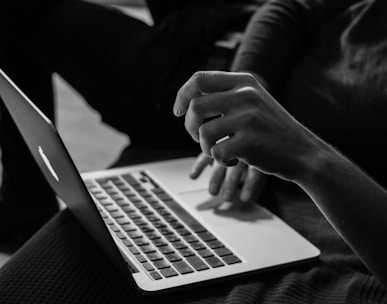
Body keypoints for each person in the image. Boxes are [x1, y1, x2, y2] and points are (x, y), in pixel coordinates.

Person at [0, 0, 387, 302]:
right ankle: (25, 208)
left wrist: (305, 152)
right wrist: (249, 90)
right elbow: (288, 7)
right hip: (216, 41)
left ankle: (23, 212)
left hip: (180, 83)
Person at [0, 0, 262, 246]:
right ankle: (26, 208)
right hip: (223, 24)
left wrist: (248, 100)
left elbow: (288, 11)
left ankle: (26, 210)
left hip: (207, 60)